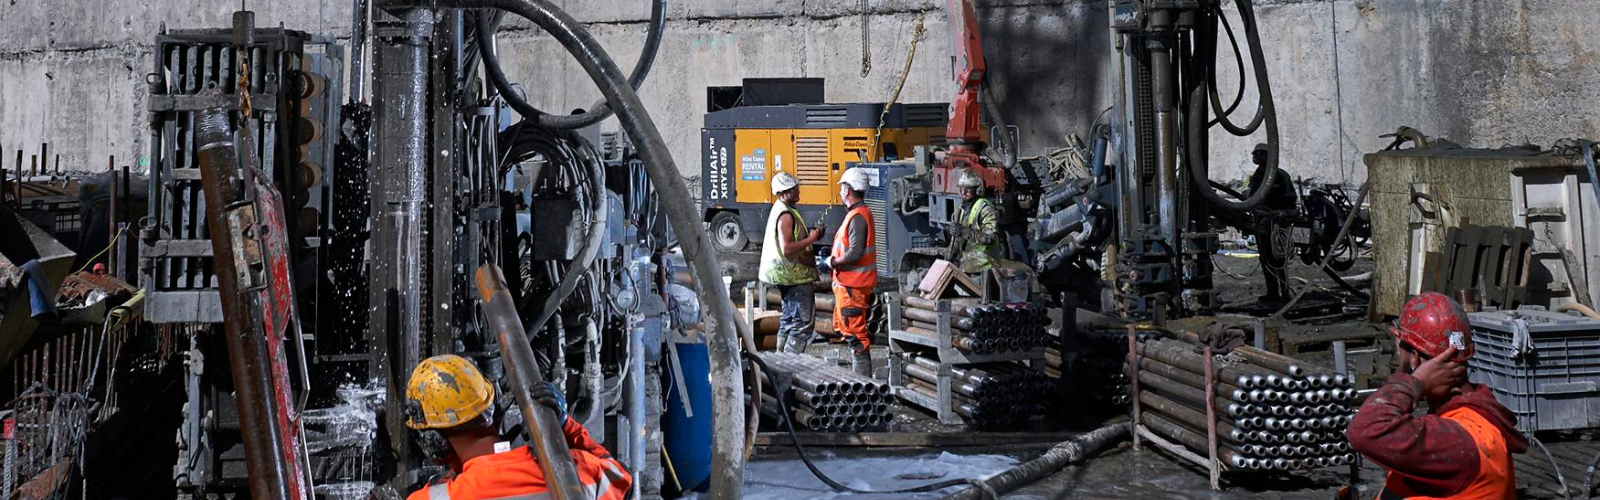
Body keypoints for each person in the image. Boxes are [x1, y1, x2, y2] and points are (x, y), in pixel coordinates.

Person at [1347, 292, 1526, 500]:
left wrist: (1415, 382)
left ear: (1414, 358)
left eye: (1401, 350)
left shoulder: (1460, 439)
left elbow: (1364, 430)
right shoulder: (1466, 421)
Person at [405, 355, 631, 500]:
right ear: (491, 408)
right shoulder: (579, 474)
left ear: (432, 441)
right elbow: (621, 476)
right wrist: (564, 427)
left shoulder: (437, 497)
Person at [821, 167, 877, 377]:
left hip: (853, 285)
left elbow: (854, 253)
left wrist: (831, 262)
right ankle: (862, 382)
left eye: (843, 188)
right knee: (851, 332)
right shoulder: (859, 214)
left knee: (856, 336)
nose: (841, 192)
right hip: (853, 285)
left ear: (848, 191)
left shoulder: (857, 217)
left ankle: (863, 383)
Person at [759, 172, 823, 353]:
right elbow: (787, 248)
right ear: (781, 193)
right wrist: (812, 238)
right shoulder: (785, 215)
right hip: (793, 276)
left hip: (786, 275)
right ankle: (788, 365)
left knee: (788, 321)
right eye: (791, 189)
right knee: (802, 324)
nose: (797, 190)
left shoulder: (781, 209)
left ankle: (779, 363)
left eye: (796, 187)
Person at [1246, 143, 1297, 304]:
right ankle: (1273, 293)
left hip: (1279, 225)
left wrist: (1283, 214)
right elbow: (1251, 198)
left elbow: (1290, 200)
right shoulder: (1255, 178)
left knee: (1279, 259)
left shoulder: (1281, 176)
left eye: (1262, 154)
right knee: (1266, 259)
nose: (1258, 157)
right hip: (1262, 224)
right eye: (1256, 154)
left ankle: (1285, 293)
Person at [949, 168, 1003, 273]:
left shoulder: (985, 209)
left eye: (968, 188)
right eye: (962, 188)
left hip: (985, 268)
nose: (963, 191)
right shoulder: (960, 209)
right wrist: (953, 257)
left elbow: (990, 237)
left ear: (977, 189)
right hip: (966, 267)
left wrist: (964, 231)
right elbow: (957, 241)